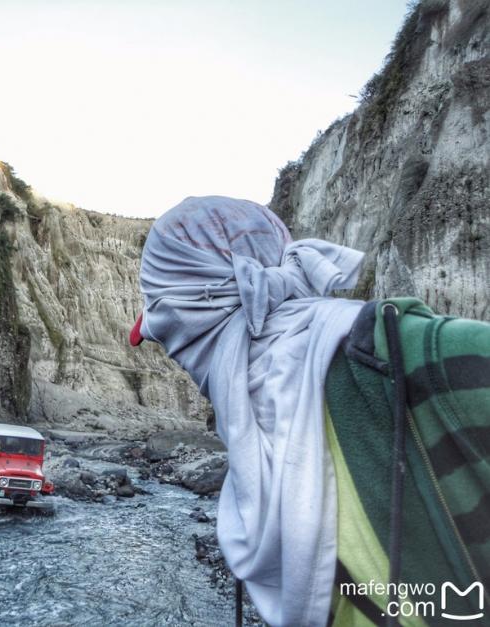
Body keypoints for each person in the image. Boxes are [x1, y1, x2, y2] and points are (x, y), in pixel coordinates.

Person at [129, 196, 489, 626]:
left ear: (192, 315)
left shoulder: (420, 357)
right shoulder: (257, 420)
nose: (175, 356)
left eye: (165, 335)